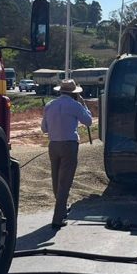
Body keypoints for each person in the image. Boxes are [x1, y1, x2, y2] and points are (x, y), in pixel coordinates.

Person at [40, 79, 92, 229]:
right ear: (74, 94)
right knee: (65, 182)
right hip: (69, 144)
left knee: (56, 180)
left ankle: (62, 207)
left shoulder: (50, 105)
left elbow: (44, 129)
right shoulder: (75, 105)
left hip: (53, 144)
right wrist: (84, 105)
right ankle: (58, 218)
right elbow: (88, 121)